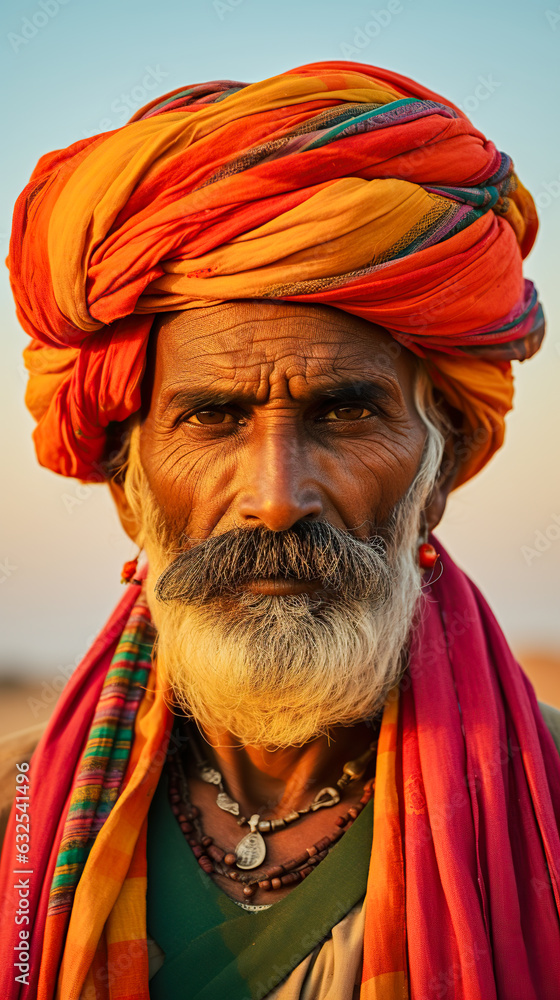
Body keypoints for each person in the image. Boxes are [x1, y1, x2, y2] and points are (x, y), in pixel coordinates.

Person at [1, 60, 559, 1000]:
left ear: (438, 471)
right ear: (129, 489)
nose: (276, 496)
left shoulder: (543, 813)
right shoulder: (14, 814)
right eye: (211, 419)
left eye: (344, 416)